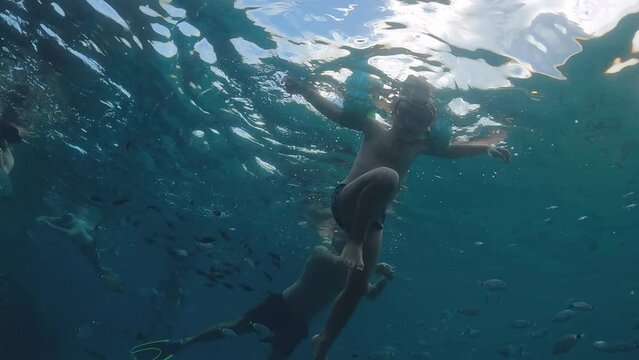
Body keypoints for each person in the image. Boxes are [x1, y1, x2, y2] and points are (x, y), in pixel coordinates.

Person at [284, 72, 511, 359]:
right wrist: (304, 90)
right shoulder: (373, 128)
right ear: (394, 110)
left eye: (421, 120)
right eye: (405, 114)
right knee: (388, 177)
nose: (410, 125)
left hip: (373, 220)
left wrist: (484, 148)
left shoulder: (420, 145)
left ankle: (325, 339)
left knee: (357, 288)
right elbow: (336, 114)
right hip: (346, 202)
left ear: (430, 122)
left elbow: (451, 150)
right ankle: (353, 242)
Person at [130, 239, 395, 360]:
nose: (339, 238)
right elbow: (338, 266)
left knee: (272, 354)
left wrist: (383, 279)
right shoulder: (321, 252)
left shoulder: (354, 270)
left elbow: (369, 294)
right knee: (235, 328)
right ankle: (181, 344)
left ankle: (182, 344)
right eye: (339, 235)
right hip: (282, 305)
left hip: (298, 320)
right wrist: (369, 268)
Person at [36, 213, 123, 292]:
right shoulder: (65, 221)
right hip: (84, 247)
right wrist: (45, 218)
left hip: (89, 245)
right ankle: (111, 252)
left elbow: (71, 233)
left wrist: (50, 225)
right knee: (96, 258)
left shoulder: (79, 223)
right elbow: (55, 219)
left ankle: (113, 274)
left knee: (97, 265)